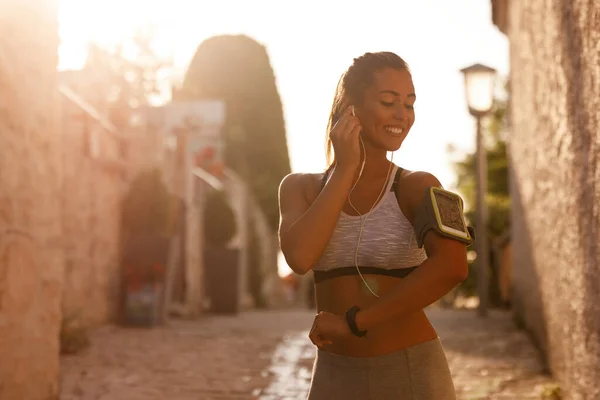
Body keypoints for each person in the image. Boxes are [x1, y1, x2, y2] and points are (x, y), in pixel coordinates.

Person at [278, 51, 472, 399]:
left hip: (411, 373)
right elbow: (300, 258)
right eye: (388, 101)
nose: (402, 115)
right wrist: (346, 169)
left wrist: (354, 322)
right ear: (350, 107)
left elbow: (452, 267)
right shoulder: (299, 188)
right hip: (334, 376)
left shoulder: (419, 186)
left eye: (410, 104)